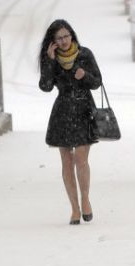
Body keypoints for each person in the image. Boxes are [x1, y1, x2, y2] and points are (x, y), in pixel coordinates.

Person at [38, 19, 102, 225]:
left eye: (66, 36)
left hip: (84, 109)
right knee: (66, 161)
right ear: (53, 41)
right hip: (63, 111)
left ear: (72, 36)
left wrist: (85, 76)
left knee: (81, 159)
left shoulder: (85, 54)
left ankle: (86, 200)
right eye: (59, 38)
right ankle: (74, 209)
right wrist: (48, 61)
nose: (64, 41)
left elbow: (97, 82)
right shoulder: (51, 58)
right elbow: (46, 86)